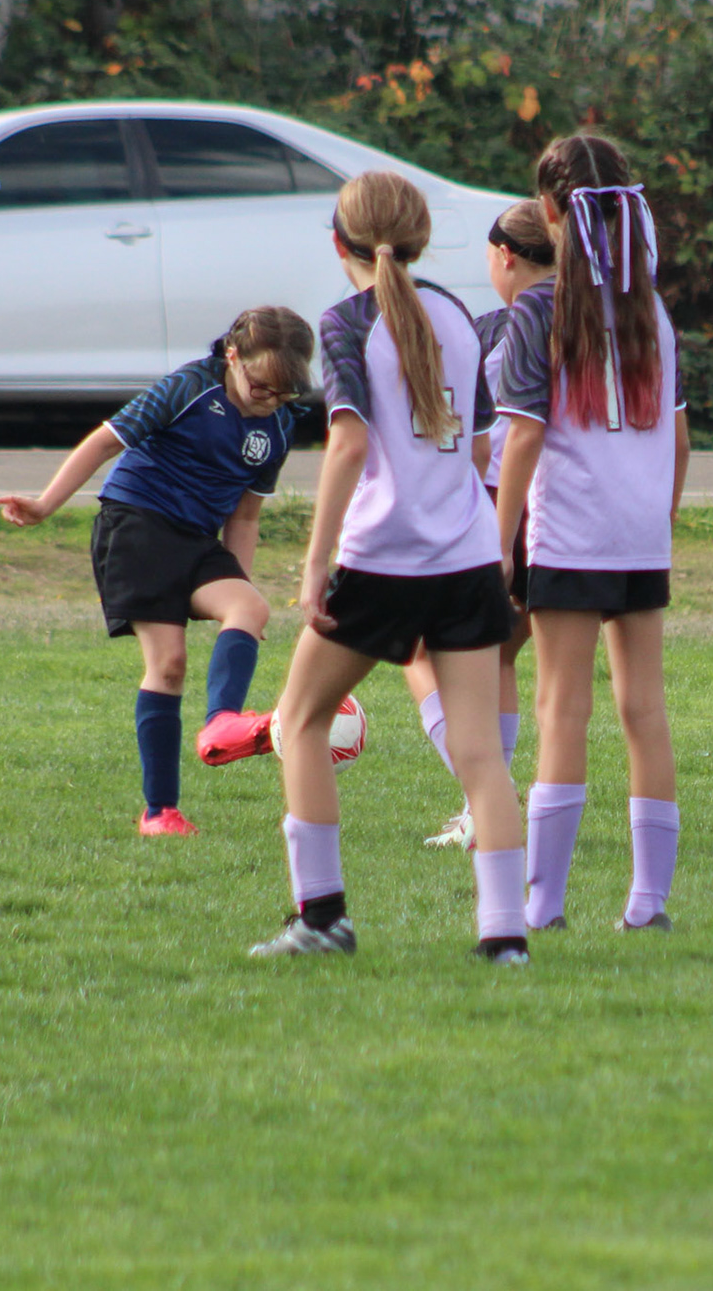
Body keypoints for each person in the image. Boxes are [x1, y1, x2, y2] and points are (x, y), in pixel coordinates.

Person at [199, 170, 528, 964]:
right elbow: (479, 447)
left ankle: (322, 919)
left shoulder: (347, 321)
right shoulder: (458, 316)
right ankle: (504, 938)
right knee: (481, 754)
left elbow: (348, 445)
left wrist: (316, 563)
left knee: (299, 722)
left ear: (338, 241)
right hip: (465, 559)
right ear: (419, 239)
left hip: (382, 560)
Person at [0, 307, 313, 836]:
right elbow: (105, 441)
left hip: (197, 540)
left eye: (284, 392)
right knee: (169, 664)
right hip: (137, 524)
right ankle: (160, 812)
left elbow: (245, 515)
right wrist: (45, 505)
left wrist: (237, 578)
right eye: (260, 386)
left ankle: (221, 724)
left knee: (250, 607)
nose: (269, 400)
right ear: (233, 356)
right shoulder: (189, 388)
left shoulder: (278, 424)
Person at [493, 134, 691, 935]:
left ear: (549, 211)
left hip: (570, 533)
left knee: (561, 710)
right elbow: (680, 442)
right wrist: (656, 519)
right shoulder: (653, 310)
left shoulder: (538, 309)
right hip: (640, 535)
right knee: (645, 711)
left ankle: (543, 905)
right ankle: (649, 904)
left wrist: (498, 542)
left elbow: (523, 437)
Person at [414, 199, 555, 850]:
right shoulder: (588, 316)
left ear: (504, 256)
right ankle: (488, 808)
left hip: (498, 507)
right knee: (500, 655)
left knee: (420, 651)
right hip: (557, 511)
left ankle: (487, 802)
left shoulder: (505, 325)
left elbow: (479, 433)